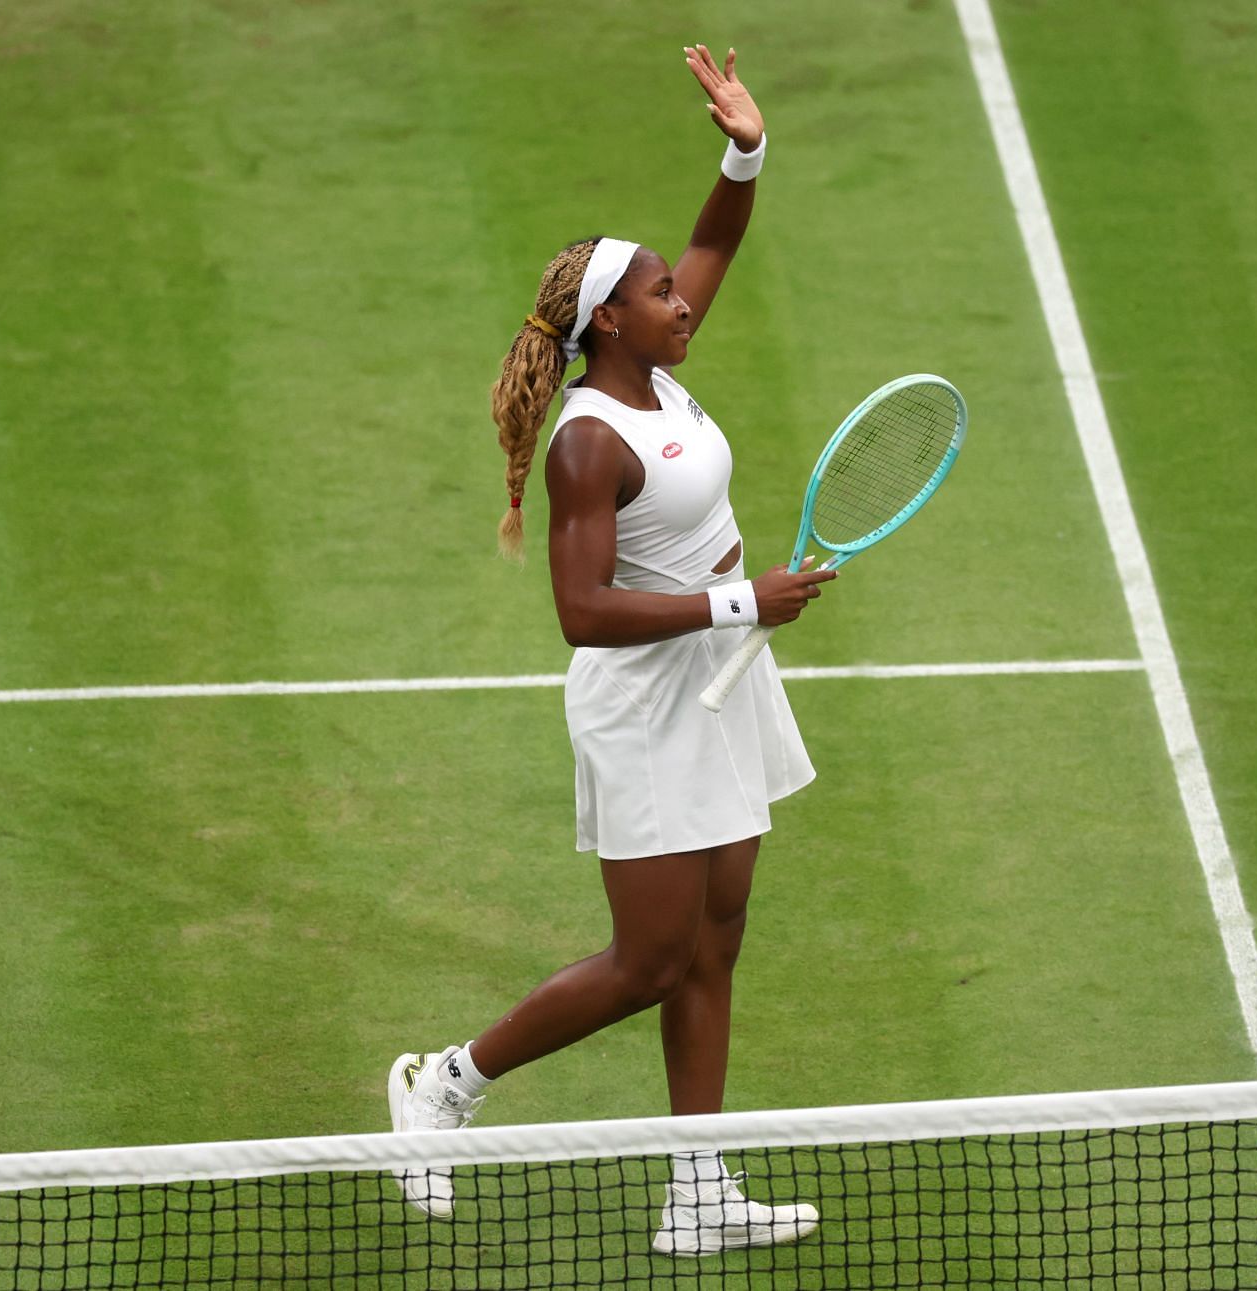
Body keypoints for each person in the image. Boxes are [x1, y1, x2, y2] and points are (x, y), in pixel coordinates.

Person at [387, 45, 836, 1257]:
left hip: (723, 681)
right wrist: (741, 606)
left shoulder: (659, 373)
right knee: (650, 959)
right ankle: (444, 1083)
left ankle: (698, 1195)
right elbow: (580, 611)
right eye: (658, 293)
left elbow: (718, 243)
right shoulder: (592, 443)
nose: (683, 297)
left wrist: (744, 148)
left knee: (720, 935)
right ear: (610, 324)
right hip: (649, 702)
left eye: (674, 288)